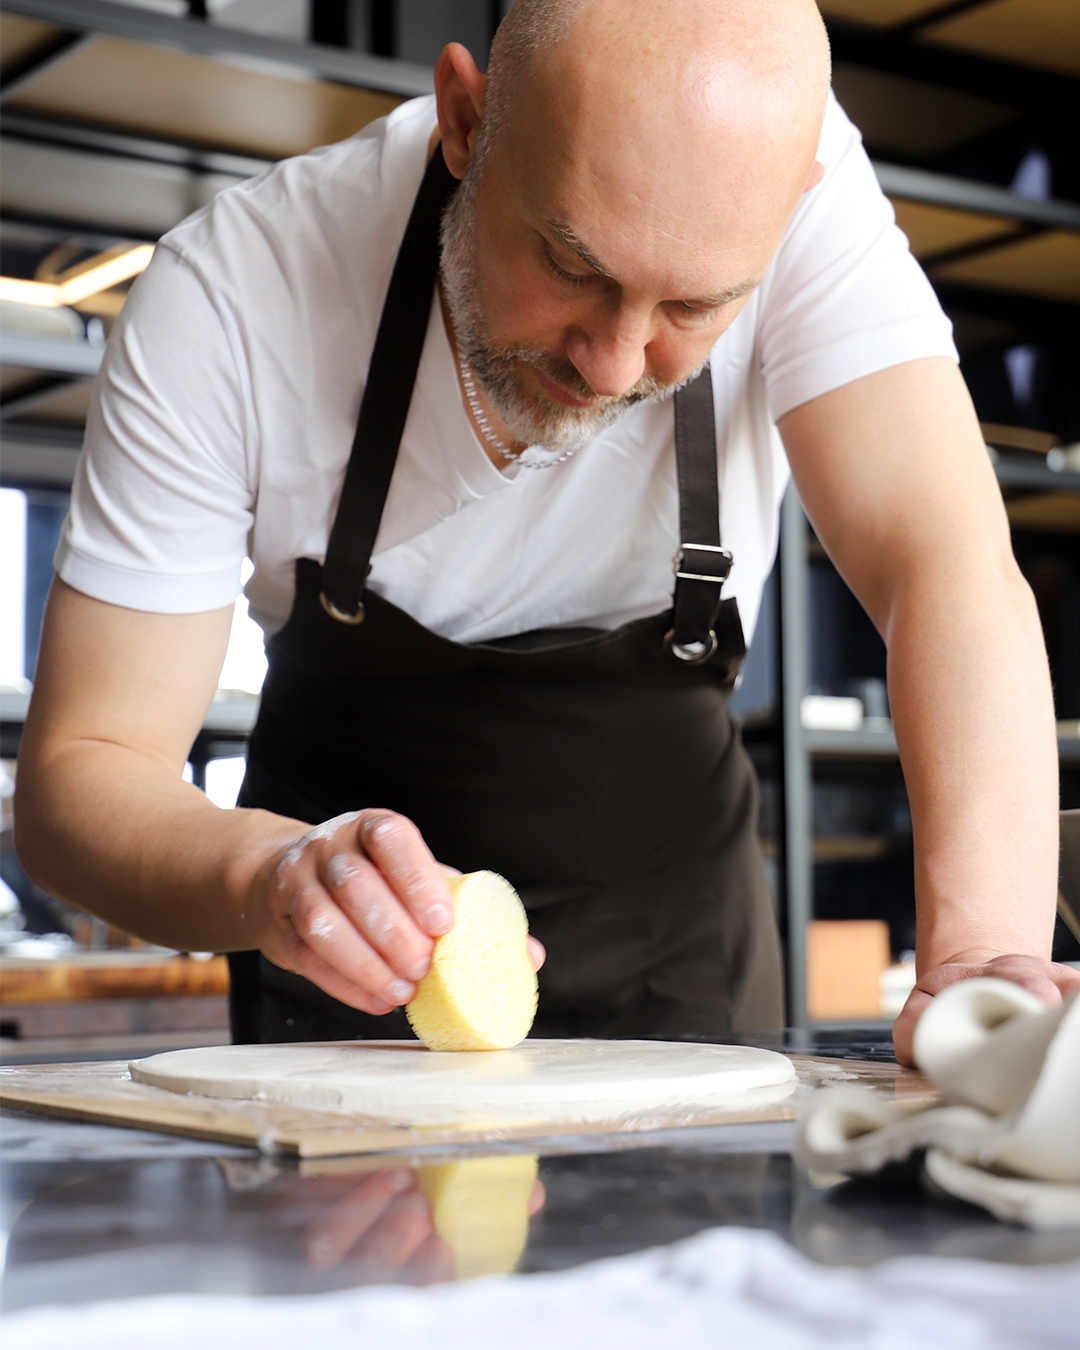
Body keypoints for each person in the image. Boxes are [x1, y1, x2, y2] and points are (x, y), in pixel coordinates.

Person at [14, 0, 1076, 1063]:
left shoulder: (784, 178)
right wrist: (269, 875)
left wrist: (982, 958)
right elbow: (82, 773)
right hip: (346, 987)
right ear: (464, 121)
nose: (613, 365)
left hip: (681, 949)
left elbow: (946, 565)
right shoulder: (237, 292)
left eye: (692, 310)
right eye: (573, 266)